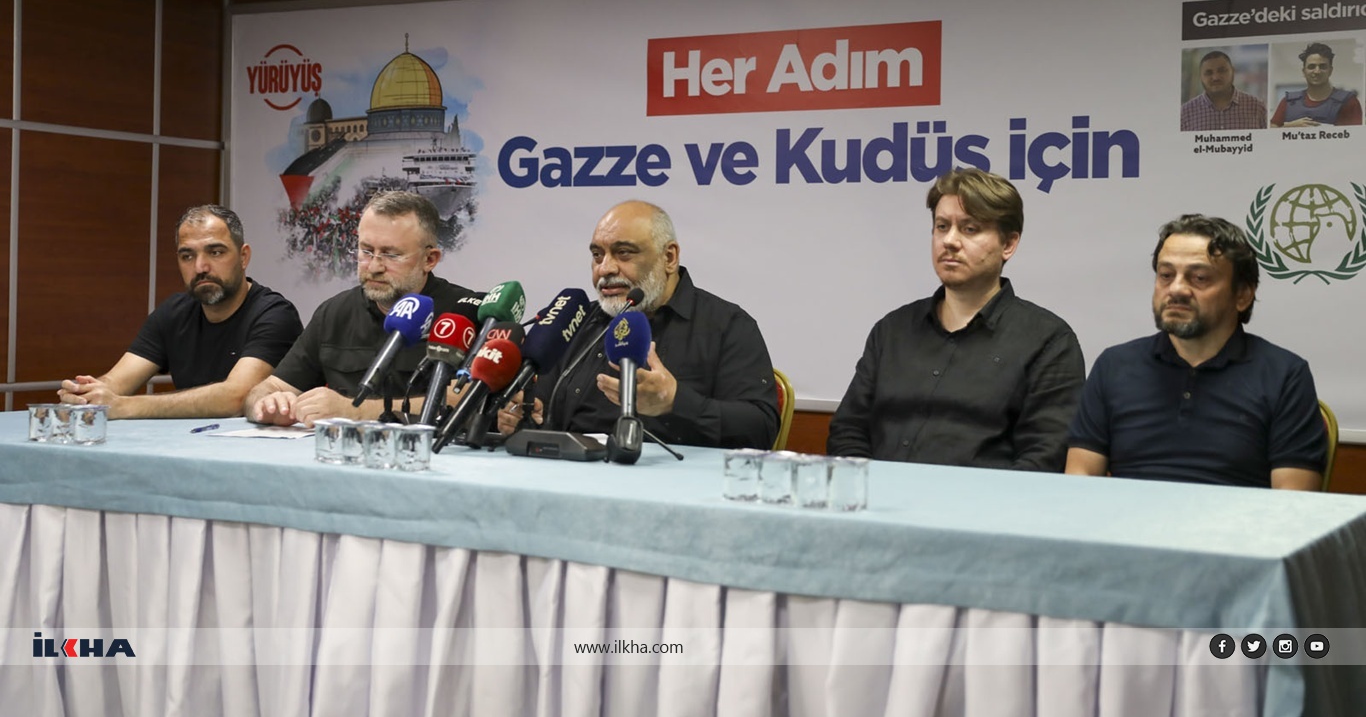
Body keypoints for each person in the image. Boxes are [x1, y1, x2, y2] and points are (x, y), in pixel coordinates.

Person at [827, 169, 1084, 469]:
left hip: (983, 499)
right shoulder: (892, 331)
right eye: (942, 226)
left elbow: (1044, 457)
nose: (949, 240)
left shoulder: (1049, 342)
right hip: (876, 495)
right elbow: (848, 430)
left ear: (1008, 244)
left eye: (970, 229)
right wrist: (869, 488)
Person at [1066, 215, 1326, 489]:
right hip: (1125, 516)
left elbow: (1293, 500)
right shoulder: (1114, 365)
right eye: (1166, 275)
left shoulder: (1284, 375)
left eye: (1199, 278)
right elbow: (1080, 479)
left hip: (1237, 517)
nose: (1176, 289)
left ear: (1242, 295)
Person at [498, 200, 778, 449]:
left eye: (623, 253)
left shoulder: (727, 325)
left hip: (674, 484)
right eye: (597, 255)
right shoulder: (576, 320)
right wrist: (522, 416)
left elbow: (760, 430)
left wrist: (675, 402)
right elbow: (540, 412)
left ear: (669, 257)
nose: (605, 269)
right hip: (569, 476)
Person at [245, 191, 482, 426]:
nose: (374, 267)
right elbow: (269, 388)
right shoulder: (334, 313)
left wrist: (354, 411)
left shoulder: (466, 313)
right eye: (366, 251)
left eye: (391, 255)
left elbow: (470, 400)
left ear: (429, 260)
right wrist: (267, 404)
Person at [58, 205, 302, 419]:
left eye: (215, 252)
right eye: (187, 256)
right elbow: (117, 381)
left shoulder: (275, 314)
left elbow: (236, 397)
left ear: (243, 257)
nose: (200, 267)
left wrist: (123, 406)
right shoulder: (173, 313)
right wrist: (87, 394)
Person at [1270, 42, 1362, 127]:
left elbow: (1356, 137)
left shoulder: (1349, 102)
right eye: (1311, 67)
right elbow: (1271, 132)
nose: (1317, 71)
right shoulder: (1288, 102)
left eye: (1322, 66)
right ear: (1304, 71)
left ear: (1330, 70)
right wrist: (1290, 127)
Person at [1179, 50, 1267, 131]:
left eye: (1222, 71)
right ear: (1200, 77)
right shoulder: (1185, 113)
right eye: (1209, 73)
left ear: (1233, 71)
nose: (1215, 77)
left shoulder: (1257, 107)